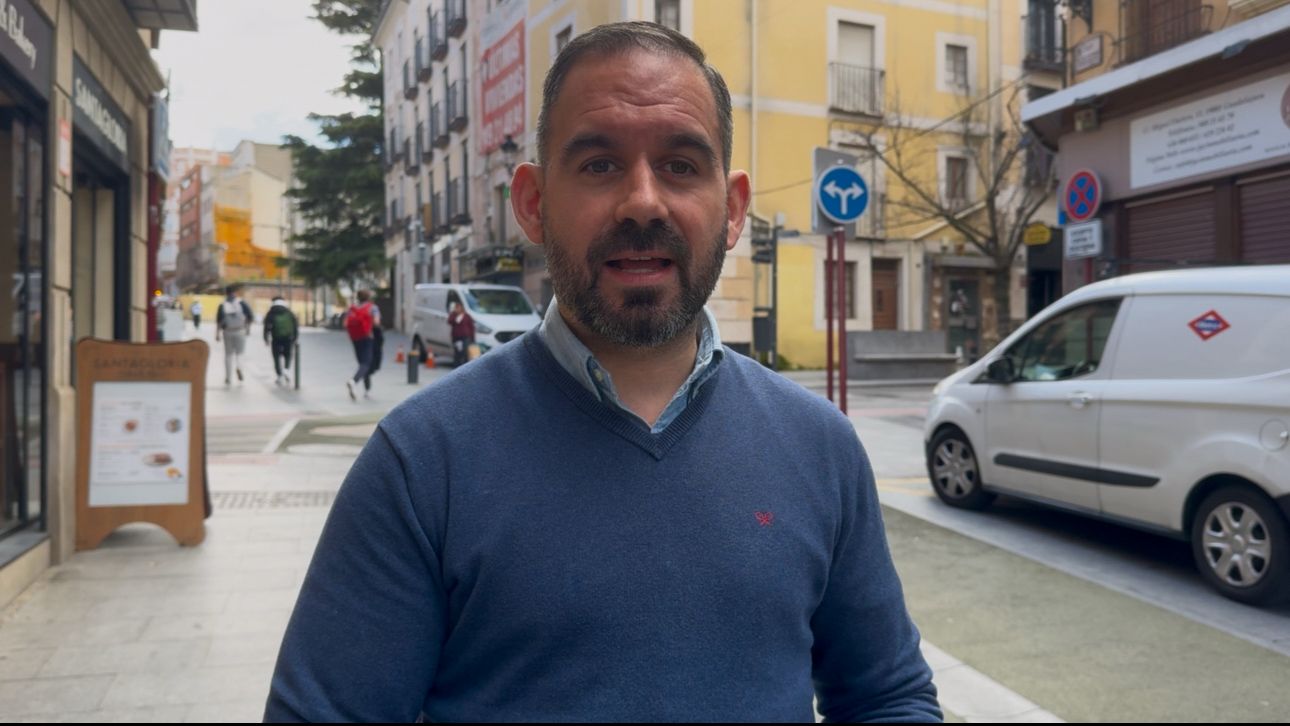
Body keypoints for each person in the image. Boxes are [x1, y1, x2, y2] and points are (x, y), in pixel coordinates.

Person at [266, 22, 939, 723]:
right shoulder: (420, 462)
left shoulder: (821, 446)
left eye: (681, 165)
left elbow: (888, 697)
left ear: (734, 209)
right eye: (598, 165)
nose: (643, 201)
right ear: (533, 203)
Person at [344, 289, 380, 400]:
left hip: (355, 338)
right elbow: (376, 322)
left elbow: (345, 323)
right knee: (366, 363)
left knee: (362, 364)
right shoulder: (372, 307)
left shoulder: (352, 308)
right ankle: (353, 381)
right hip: (367, 338)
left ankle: (367, 391)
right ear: (368, 297)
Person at [214, 285, 253, 386]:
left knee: (228, 355)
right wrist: (248, 329)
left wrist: (217, 334)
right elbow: (250, 316)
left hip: (227, 331)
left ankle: (228, 377)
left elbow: (218, 321)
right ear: (235, 292)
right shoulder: (242, 303)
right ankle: (239, 367)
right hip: (240, 330)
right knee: (240, 353)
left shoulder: (222, 305)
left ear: (226, 293)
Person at [263, 296, 299, 386]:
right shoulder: (288, 312)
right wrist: (295, 337)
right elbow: (295, 325)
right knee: (288, 355)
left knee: (276, 357)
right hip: (288, 338)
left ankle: (279, 375)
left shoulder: (271, 312)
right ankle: (286, 369)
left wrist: (266, 338)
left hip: (276, 338)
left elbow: (266, 327)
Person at [448, 301, 476, 366]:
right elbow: (449, 321)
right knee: (457, 352)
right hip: (456, 337)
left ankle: (465, 365)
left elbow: (472, 327)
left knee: (465, 352)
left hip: (465, 337)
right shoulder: (453, 315)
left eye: (458, 307)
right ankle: (457, 365)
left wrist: (472, 338)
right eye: (456, 308)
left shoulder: (467, 316)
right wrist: (454, 314)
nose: (457, 309)